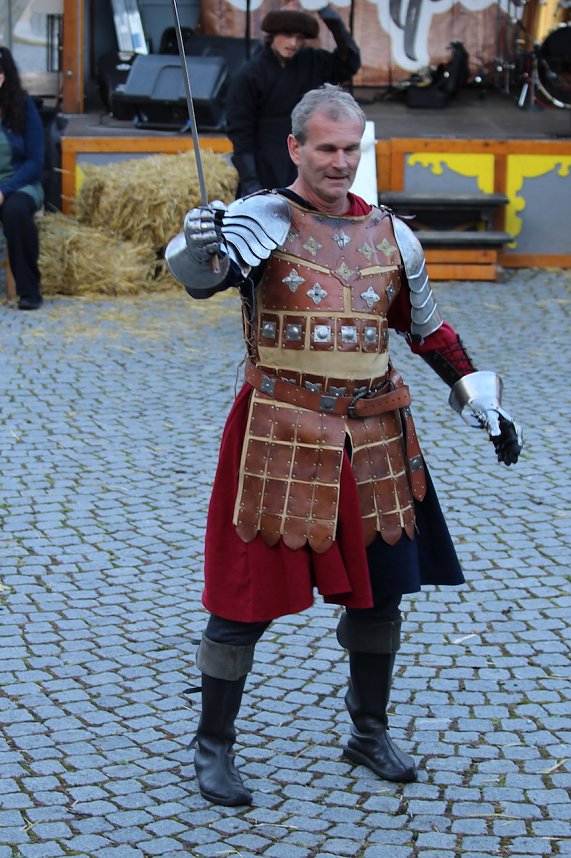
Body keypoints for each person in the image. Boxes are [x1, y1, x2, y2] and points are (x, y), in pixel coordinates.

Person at [166, 84, 522, 807]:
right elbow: (202, 279)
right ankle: (212, 745)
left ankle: (367, 729)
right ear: (295, 147)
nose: (338, 162)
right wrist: (199, 241)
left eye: (350, 149)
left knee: (381, 595)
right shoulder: (259, 219)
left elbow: (425, 330)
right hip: (279, 428)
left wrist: (482, 404)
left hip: (375, 433)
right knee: (243, 599)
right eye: (325, 148)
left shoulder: (393, 235)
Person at [226, 5, 360, 196]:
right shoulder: (249, 75)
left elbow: (350, 62)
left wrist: (329, 16)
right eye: (287, 35)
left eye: (299, 38)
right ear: (272, 35)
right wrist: (251, 184)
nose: (293, 43)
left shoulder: (312, 61)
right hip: (266, 166)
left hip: (306, 163)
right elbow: (241, 135)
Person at [0, 46, 45, 310]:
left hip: (20, 184)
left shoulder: (23, 107)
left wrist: (5, 190)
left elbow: (35, 161)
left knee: (15, 211)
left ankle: (29, 291)